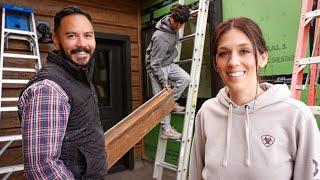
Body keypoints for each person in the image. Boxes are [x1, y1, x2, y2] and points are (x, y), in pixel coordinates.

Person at [188, 17, 320, 180]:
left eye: (244, 51)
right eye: (223, 53)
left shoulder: (297, 116)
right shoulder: (207, 113)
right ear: (216, 63)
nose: (233, 62)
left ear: (263, 57)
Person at [18, 6, 108, 179]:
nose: (82, 43)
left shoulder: (81, 76)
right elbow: (42, 168)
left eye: (88, 35)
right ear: (56, 40)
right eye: (72, 36)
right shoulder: (48, 89)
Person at [145, 4, 191, 140]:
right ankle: (166, 129)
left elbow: (183, 9)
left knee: (185, 78)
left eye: (182, 24)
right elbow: (154, 64)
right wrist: (164, 82)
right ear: (171, 18)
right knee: (162, 99)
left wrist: (190, 12)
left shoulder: (176, 20)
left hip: (168, 63)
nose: (179, 27)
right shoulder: (161, 37)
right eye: (177, 23)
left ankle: (171, 102)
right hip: (156, 68)